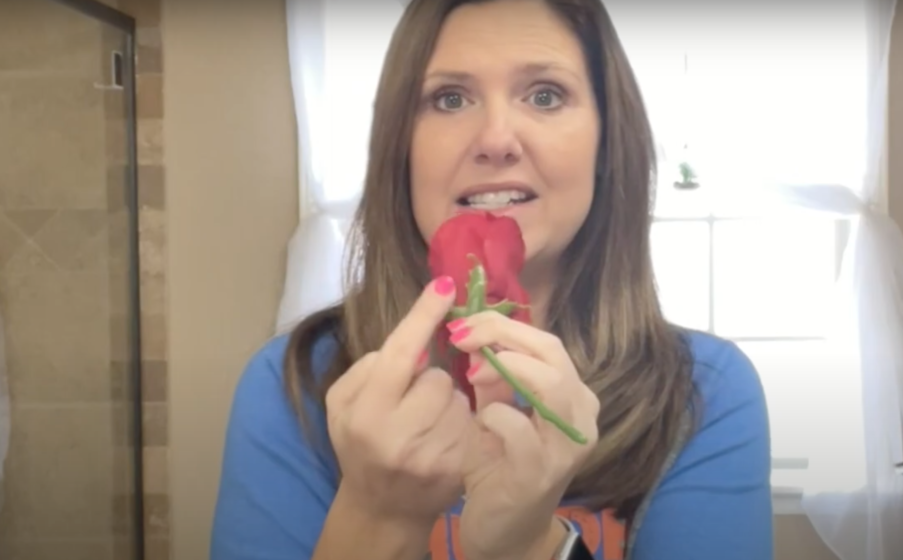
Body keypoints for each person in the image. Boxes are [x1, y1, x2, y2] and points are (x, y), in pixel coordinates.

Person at [210, 0, 773, 558]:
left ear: (606, 145)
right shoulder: (293, 387)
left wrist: (529, 544)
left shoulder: (703, 392)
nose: (496, 138)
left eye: (545, 95)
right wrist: (376, 517)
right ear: (399, 148)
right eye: (449, 99)